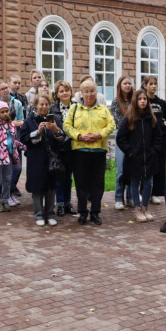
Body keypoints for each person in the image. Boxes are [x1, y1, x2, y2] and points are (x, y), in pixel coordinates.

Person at [63, 78, 115, 225]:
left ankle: (95, 213)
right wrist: (79, 136)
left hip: (99, 150)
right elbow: (67, 126)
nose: (90, 94)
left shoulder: (103, 109)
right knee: (81, 183)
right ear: (81, 93)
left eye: (92, 91)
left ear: (96, 92)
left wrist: (99, 134)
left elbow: (111, 125)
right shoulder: (74, 108)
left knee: (97, 183)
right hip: (80, 151)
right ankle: (83, 212)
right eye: (86, 91)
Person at [116, 88, 164, 223]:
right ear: (135, 101)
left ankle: (145, 207)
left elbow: (158, 137)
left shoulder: (152, 118)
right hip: (134, 158)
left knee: (148, 182)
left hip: (149, 157)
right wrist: (130, 151)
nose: (142, 101)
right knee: (135, 182)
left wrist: (154, 150)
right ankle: (137, 208)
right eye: (140, 99)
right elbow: (121, 138)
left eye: (144, 99)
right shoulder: (129, 118)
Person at [19, 94, 66, 226]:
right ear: (36, 105)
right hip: (36, 160)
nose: (44, 107)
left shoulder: (55, 119)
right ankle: (39, 214)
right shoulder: (29, 121)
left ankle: (50, 213)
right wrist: (38, 132)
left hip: (52, 159)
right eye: (41, 104)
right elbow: (23, 139)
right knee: (37, 187)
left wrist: (56, 129)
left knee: (51, 187)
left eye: (46, 104)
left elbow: (63, 139)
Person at [0, 101, 24, 212]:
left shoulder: (11, 125)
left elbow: (13, 140)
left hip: (9, 157)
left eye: (6, 111)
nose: (5, 114)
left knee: (7, 179)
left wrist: (23, 146)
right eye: (2, 112)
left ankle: (5, 200)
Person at [0, 81, 25, 206]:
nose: (6, 90)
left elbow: (21, 121)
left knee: (14, 171)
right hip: (0, 152)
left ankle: (7, 196)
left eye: (7, 87)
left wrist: (24, 146)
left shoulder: (17, 103)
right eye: (2, 88)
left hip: (12, 148)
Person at [143, 76, 166, 205]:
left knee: (160, 166)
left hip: (161, 138)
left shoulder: (161, 102)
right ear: (145, 85)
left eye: (155, 84)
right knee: (147, 165)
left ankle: (156, 193)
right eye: (151, 84)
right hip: (147, 138)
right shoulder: (142, 100)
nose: (154, 86)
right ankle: (144, 192)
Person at [50, 80, 76, 216]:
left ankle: (67, 203)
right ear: (57, 94)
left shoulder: (77, 107)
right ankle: (59, 204)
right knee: (60, 176)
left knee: (69, 177)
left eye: (67, 90)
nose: (64, 93)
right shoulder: (52, 109)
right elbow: (50, 128)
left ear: (71, 92)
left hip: (73, 146)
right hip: (58, 147)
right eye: (61, 91)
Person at [109, 75, 135, 210]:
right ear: (120, 85)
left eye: (129, 83)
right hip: (122, 136)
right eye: (125, 83)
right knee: (121, 168)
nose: (127, 86)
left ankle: (130, 197)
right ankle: (119, 198)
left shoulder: (135, 100)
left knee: (133, 168)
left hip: (135, 136)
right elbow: (118, 121)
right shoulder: (115, 102)